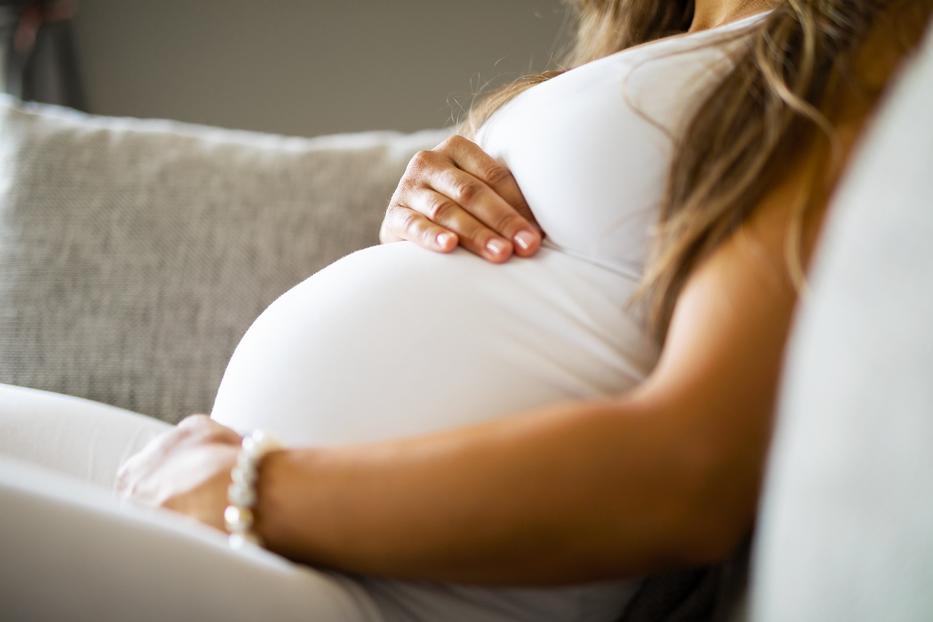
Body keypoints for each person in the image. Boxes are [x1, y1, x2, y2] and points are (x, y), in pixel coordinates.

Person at [2, 1, 930, 620]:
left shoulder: (858, 49)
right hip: (269, 532)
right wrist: (426, 220)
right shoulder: (663, 35)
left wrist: (253, 490)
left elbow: (689, 469)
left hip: (371, 588)